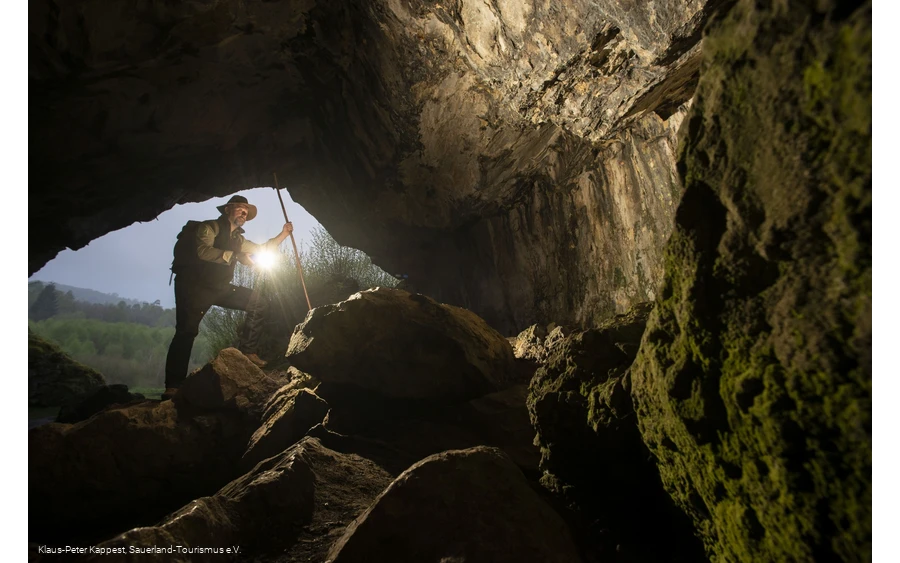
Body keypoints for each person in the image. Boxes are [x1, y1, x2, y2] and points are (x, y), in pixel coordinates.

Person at [162, 195, 293, 400]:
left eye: (246, 211)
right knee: (186, 332)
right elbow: (203, 252)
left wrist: (283, 234)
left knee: (258, 302)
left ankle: (247, 352)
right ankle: (173, 386)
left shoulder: (238, 239)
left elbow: (261, 248)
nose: (244, 213)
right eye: (240, 208)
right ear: (227, 210)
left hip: (219, 287)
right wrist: (234, 256)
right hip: (193, 288)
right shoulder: (208, 227)